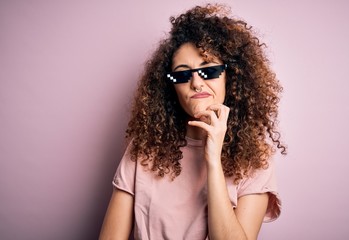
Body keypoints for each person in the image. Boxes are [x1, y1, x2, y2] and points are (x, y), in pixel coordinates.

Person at [99, 4, 286, 240]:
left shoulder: (255, 160)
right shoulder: (144, 148)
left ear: (232, 76)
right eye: (182, 74)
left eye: (208, 71)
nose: (196, 83)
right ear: (171, 86)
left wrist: (213, 161)